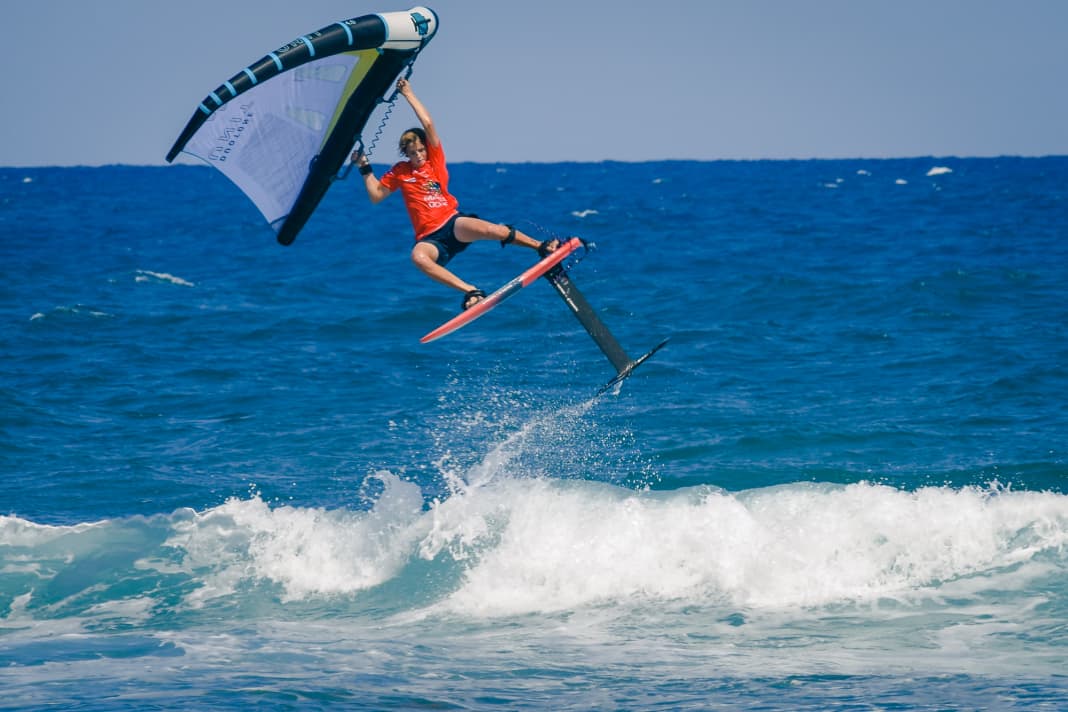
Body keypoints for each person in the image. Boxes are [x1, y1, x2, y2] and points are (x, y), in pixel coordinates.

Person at [352, 78, 559, 311]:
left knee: (495, 230)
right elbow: (376, 195)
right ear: (406, 154)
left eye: (421, 150)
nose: (419, 155)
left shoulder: (435, 161)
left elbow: (428, 124)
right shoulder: (401, 171)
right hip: (430, 239)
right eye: (413, 152)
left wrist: (408, 93)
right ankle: (471, 291)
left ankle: (540, 246)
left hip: (452, 223)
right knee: (418, 257)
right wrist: (364, 167)